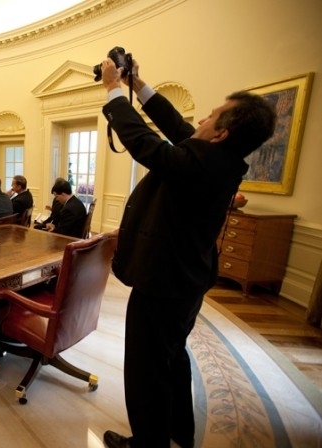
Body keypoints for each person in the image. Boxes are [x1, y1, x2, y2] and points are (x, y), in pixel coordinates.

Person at [99, 57, 276, 448]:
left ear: (221, 134)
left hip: (163, 282)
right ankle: (179, 432)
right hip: (184, 279)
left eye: (211, 116)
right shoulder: (218, 158)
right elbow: (179, 127)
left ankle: (148, 443)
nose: (200, 120)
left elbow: (145, 144)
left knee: (146, 370)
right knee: (172, 359)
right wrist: (139, 85)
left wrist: (113, 89)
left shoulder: (200, 163)